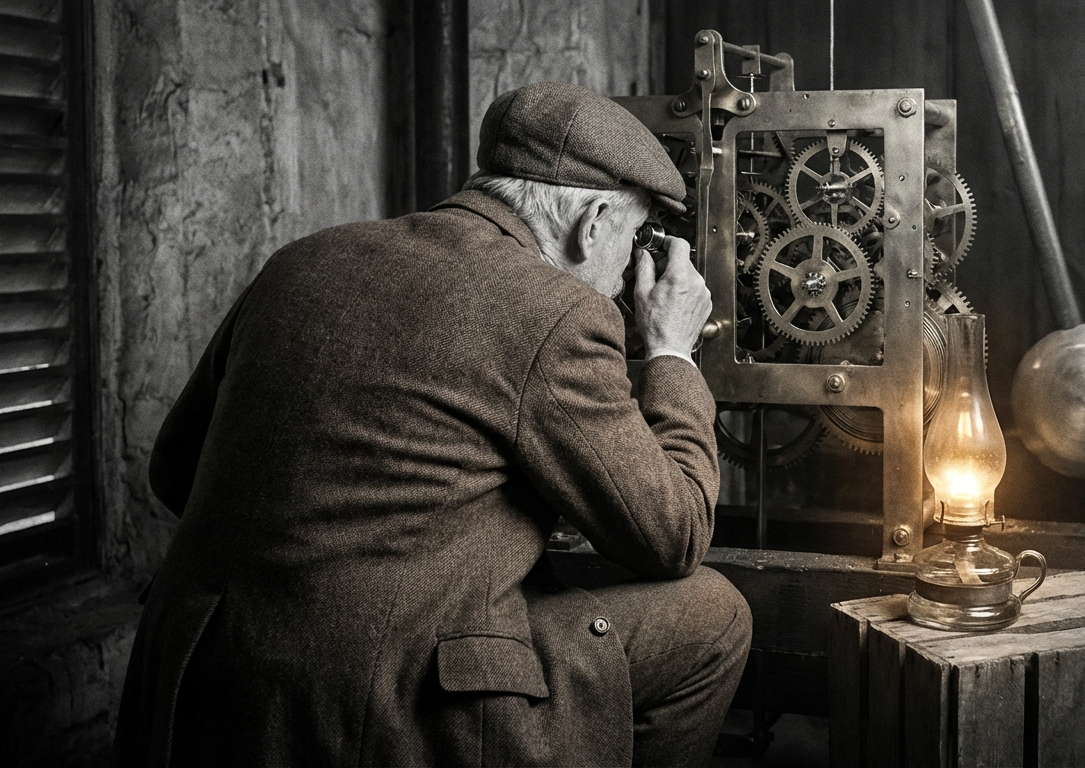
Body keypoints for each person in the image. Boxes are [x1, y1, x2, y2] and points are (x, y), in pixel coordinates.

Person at [114, 81, 751, 767]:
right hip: (368, 705)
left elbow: (173, 470)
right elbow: (673, 535)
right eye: (633, 241)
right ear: (591, 222)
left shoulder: (303, 259)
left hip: (189, 683)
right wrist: (671, 351)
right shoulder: (555, 310)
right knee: (712, 616)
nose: (629, 275)